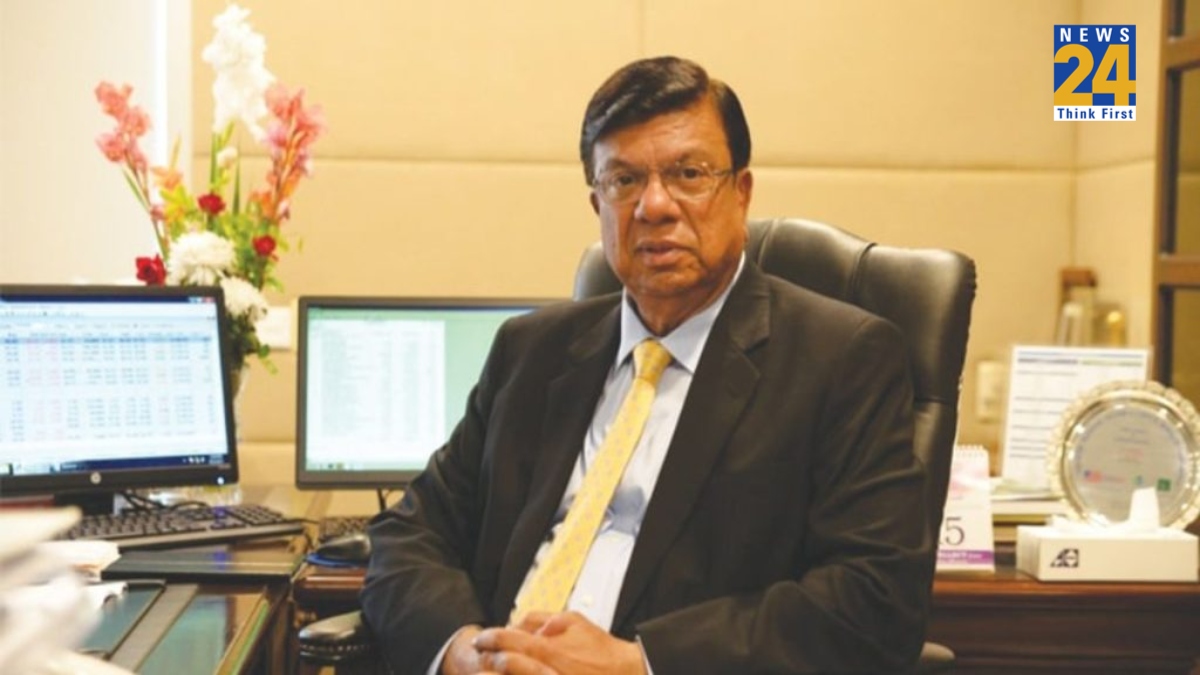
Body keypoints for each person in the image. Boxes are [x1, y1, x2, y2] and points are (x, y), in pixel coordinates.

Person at [361, 55, 933, 675]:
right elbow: (409, 534)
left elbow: (874, 598)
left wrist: (639, 663)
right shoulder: (530, 353)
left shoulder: (842, 360)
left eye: (689, 173)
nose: (654, 206)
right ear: (597, 205)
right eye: (624, 180)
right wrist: (463, 652)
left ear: (741, 193)